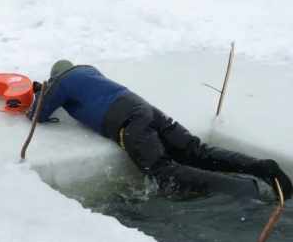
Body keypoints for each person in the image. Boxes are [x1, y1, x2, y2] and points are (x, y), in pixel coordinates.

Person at [28, 59, 293, 200]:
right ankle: (262, 167)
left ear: (55, 76)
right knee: (196, 151)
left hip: (127, 123)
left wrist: (43, 93)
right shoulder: (88, 72)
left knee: (163, 172)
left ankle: (243, 190)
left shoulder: (62, 80)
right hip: (146, 109)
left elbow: (37, 114)